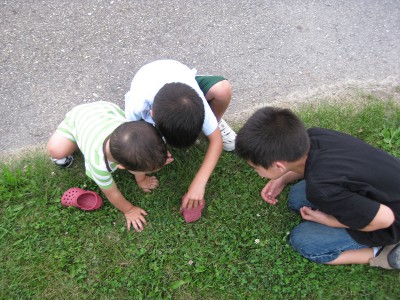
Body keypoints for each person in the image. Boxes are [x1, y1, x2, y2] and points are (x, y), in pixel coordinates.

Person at [235, 106, 400, 269]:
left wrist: (331, 221)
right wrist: (283, 178)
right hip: (385, 190)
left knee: (305, 241)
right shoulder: (315, 135)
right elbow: (307, 164)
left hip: (391, 222)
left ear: (279, 165)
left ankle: (380, 252)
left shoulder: (321, 188)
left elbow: (384, 218)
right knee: (296, 198)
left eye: (256, 168)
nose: (257, 173)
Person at [124, 59, 236, 209]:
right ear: (151, 114)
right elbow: (132, 141)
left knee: (223, 89)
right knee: (143, 136)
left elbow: (217, 142)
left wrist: (199, 183)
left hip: (179, 78)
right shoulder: (137, 105)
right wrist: (154, 154)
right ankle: (207, 127)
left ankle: (215, 123)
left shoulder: (195, 101)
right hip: (148, 80)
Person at [47, 101, 167, 232]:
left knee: (137, 153)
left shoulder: (129, 132)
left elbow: (142, 153)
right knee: (56, 150)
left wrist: (142, 179)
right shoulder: (98, 165)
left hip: (105, 110)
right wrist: (129, 210)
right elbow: (112, 193)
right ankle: (75, 139)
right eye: (144, 172)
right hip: (78, 119)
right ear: (121, 166)